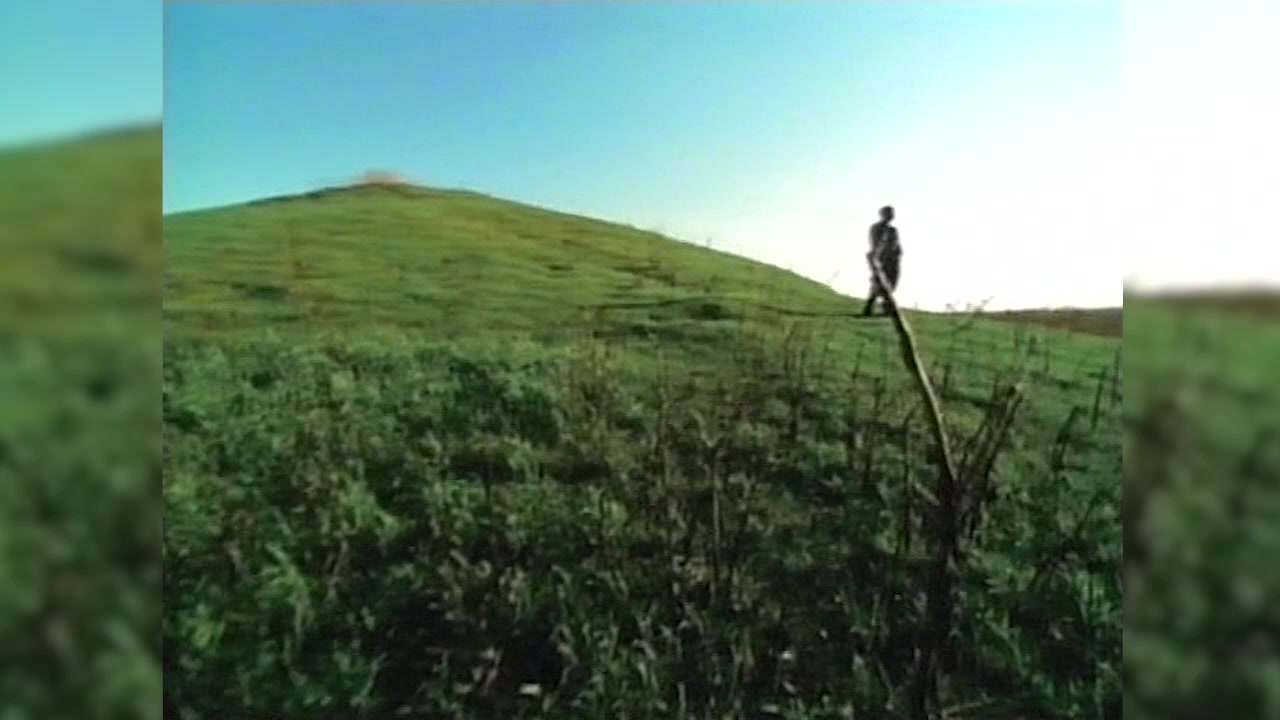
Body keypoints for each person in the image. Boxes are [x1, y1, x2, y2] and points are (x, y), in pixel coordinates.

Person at [861, 205, 902, 316]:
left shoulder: (893, 230)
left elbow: (896, 244)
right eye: (888, 213)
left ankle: (886, 308)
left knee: (891, 283)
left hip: (893, 260)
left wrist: (898, 253)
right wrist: (877, 257)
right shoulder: (876, 228)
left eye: (892, 213)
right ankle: (869, 307)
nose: (891, 216)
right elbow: (875, 244)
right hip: (882, 260)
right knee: (878, 283)